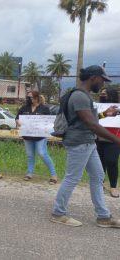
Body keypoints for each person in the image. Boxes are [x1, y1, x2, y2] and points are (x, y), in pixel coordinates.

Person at [51, 65, 120, 228]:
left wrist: (105, 114)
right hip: (79, 143)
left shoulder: (83, 96)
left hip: (87, 142)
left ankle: (103, 217)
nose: (103, 84)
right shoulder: (80, 97)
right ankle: (58, 213)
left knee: (97, 176)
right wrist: (117, 140)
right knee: (72, 178)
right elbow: (91, 124)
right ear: (94, 77)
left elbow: (87, 119)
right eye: (102, 80)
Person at [16, 91, 57, 184]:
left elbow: (49, 122)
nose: (29, 99)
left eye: (30, 97)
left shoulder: (45, 109)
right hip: (27, 136)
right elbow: (17, 118)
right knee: (30, 155)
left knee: (42, 153)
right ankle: (29, 173)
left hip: (40, 137)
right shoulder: (24, 108)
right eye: (28, 97)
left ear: (36, 98)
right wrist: (18, 121)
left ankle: (53, 175)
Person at [97, 87, 120, 198]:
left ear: (112, 95)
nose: (102, 94)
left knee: (111, 161)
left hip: (114, 139)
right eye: (101, 93)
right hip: (98, 139)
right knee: (100, 163)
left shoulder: (118, 107)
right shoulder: (98, 107)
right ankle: (100, 184)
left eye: (105, 93)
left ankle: (113, 186)